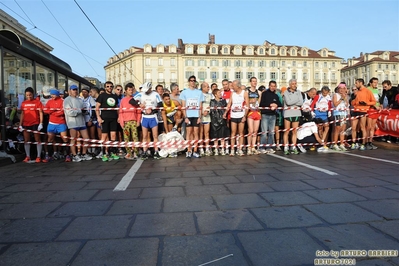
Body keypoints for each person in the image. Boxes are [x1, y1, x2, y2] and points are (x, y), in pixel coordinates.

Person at [63, 85, 93, 162]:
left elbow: (83, 109)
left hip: (81, 122)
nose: (75, 91)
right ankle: (74, 155)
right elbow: (69, 112)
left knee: (86, 138)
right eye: (73, 90)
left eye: (76, 89)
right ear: (70, 91)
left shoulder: (80, 100)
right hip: (72, 122)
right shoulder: (67, 100)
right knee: (73, 139)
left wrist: (85, 112)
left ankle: (83, 153)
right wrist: (80, 111)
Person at [134, 82, 163, 160]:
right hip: (144, 117)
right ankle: (145, 152)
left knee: (155, 136)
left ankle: (156, 151)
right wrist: (139, 104)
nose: (146, 91)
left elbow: (161, 104)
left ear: (150, 88)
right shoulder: (141, 94)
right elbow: (132, 101)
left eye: (147, 90)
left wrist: (153, 109)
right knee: (145, 136)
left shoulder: (155, 94)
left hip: (153, 117)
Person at [180, 75, 204, 158]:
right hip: (188, 115)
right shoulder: (184, 92)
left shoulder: (199, 92)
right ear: (188, 82)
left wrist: (199, 117)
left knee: (196, 133)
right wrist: (185, 117)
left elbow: (200, 105)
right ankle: (189, 150)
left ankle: (195, 150)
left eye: (194, 80)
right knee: (189, 133)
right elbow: (183, 105)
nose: (192, 82)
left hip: (196, 115)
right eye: (191, 80)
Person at [223, 80, 249, 156]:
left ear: (237, 86)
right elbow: (229, 104)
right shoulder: (232, 93)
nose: (232, 87)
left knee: (241, 133)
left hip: (241, 115)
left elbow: (247, 105)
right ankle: (232, 149)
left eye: (233, 86)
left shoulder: (244, 93)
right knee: (233, 132)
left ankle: (240, 149)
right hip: (234, 115)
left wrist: (245, 116)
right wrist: (225, 113)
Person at [95, 81, 120, 161]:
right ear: (105, 87)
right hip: (104, 118)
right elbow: (97, 107)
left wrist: (119, 117)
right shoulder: (102, 96)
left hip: (113, 118)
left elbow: (116, 107)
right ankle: (104, 153)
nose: (109, 88)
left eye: (111, 86)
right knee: (104, 137)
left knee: (113, 136)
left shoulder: (114, 96)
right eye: (108, 86)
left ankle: (112, 152)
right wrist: (98, 117)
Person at [43, 89, 70, 162]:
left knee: (64, 139)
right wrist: (53, 111)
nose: (52, 96)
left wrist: (53, 112)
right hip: (52, 123)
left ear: (57, 94)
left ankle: (67, 155)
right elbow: (45, 110)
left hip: (61, 123)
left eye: (54, 94)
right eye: (51, 94)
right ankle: (49, 156)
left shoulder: (62, 101)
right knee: (50, 139)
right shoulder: (49, 101)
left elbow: (62, 112)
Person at [19, 87, 44, 163]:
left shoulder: (37, 102)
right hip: (26, 123)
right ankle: (28, 156)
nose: (29, 96)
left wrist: (41, 123)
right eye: (27, 95)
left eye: (30, 95)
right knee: (26, 140)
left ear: (33, 94)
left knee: (37, 140)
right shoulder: (23, 103)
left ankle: (38, 156)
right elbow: (22, 114)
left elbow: (41, 113)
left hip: (35, 123)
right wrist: (20, 124)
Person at [350, 78, 376, 150]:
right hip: (356, 110)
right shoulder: (357, 92)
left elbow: (374, 101)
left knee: (362, 127)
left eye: (356, 83)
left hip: (363, 110)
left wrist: (366, 103)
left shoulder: (368, 91)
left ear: (361, 83)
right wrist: (355, 101)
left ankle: (363, 143)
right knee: (354, 127)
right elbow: (353, 102)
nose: (355, 84)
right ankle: (353, 142)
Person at [119, 83, 141, 160]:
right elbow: (120, 112)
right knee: (126, 138)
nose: (131, 91)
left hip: (133, 121)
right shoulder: (122, 100)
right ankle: (129, 153)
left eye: (132, 90)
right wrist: (122, 122)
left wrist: (138, 121)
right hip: (126, 122)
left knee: (135, 137)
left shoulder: (135, 99)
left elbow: (138, 111)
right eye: (129, 90)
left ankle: (135, 152)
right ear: (126, 91)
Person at [259, 80, 282, 154]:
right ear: (269, 86)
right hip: (265, 115)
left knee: (271, 132)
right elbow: (262, 104)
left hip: (273, 115)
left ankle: (269, 146)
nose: (272, 87)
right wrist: (271, 104)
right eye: (271, 86)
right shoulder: (265, 93)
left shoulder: (276, 95)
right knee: (264, 132)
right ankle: (262, 147)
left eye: (274, 86)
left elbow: (280, 104)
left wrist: (276, 105)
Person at [283, 79, 303, 155]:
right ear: (290, 84)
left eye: (295, 83)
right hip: (288, 113)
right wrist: (296, 99)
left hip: (297, 113)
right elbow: (288, 102)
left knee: (294, 131)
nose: (295, 85)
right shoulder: (286, 92)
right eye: (293, 84)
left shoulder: (299, 92)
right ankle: (285, 147)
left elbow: (301, 102)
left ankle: (293, 147)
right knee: (287, 131)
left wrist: (294, 101)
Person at [210, 89, 229, 155]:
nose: (220, 94)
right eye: (219, 93)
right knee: (215, 135)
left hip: (222, 120)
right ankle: (216, 149)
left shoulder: (223, 101)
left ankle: (222, 149)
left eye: (220, 93)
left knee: (222, 135)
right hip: (214, 121)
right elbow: (212, 111)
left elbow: (226, 109)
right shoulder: (212, 101)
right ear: (215, 94)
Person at [331, 83, 349, 151]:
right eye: (340, 88)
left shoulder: (345, 96)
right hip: (338, 113)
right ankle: (335, 144)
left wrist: (345, 97)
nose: (341, 90)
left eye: (343, 88)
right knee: (337, 129)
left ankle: (342, 143)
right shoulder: (336, 95)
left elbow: (347, 105)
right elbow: (335, 104)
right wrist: (341, 98)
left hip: (344, 113)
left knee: (343, 130)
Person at [246, 77, 261, 155]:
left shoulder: (259, 92)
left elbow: (259, 102)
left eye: (255, 81)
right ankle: (248, 147)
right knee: (250, 131)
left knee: (255, 131)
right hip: (250, 112)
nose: (254, 82)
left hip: (257, 112)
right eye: (253, 81)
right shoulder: (247, 91)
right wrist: (251, 101)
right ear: (250, 82)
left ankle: (253, 147)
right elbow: (245, 101)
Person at [81, 87, 97, 156]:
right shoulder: (81, 99)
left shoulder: (91, 99)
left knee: (92, 135)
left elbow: (94, 109)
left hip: (91, 120)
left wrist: (91, 119)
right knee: (86, 137)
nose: (84, 93)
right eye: (83, 92)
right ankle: (88, 150)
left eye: (85, 92)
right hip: (84, 120)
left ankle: (93, 150)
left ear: (88, 93)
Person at [365, 77, 380, 149]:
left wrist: (380, 105)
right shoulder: (368, 89)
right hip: (370, 109)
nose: (376, 84)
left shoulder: (376, 90)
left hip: (376, 110)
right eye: (374, 82)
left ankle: (370, 142)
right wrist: (374, 105)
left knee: (373, 127)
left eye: (377, 82)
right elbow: (367, 100)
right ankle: (366, 142)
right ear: (370, 83)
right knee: (369, 126)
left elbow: (377, 100)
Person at [199, 82, 212, 156]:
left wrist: (207, 111)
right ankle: (201, 148)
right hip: (201, 116)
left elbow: (211, 105)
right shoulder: (199, 95)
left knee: (206, 133)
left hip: (207, 116)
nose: (208, 88)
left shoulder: (210, 96)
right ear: (203, 88)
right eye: (207, 87)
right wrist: (201, 112)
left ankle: (207, 148)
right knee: (201, 133)